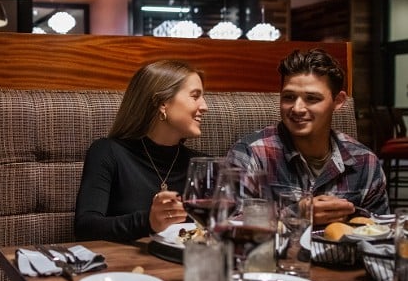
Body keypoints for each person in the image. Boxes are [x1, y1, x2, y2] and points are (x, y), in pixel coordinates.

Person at [227, 48, 389, 225]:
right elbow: (228, 226)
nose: (297, 108)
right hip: (272, 253)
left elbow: (380, 234)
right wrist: (295, 214)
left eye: (312, 98)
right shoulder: (251, 154)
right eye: (289, 97)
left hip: (345, 253)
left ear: (338, 101)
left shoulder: (365, 162)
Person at [74, 60, 208, 242]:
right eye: (195, 96)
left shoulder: (203, 166)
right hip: (126, 267)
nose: (204, 106)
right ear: (162, 103)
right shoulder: (108, 152)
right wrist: (147, 221)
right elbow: (85, 227)